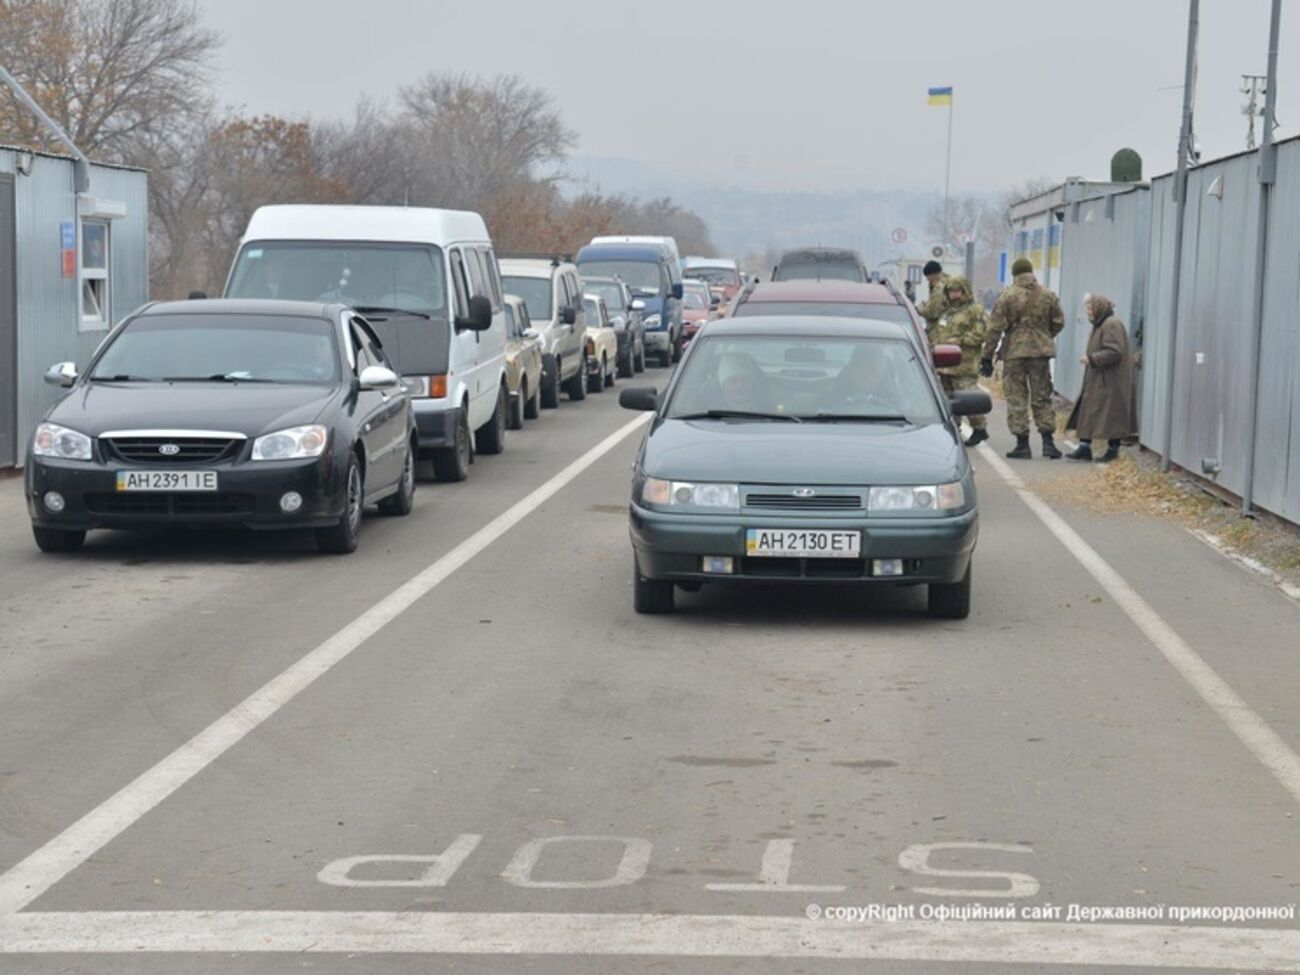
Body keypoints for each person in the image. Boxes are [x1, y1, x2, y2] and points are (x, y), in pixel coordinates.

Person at [981, 257, 1065, 459]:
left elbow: (994, 329)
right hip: (1040, 354)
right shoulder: (1047, 295)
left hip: (1015, 353)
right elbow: (1059, 322)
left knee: (1016, 397)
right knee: (1042, 396)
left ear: (1015, 274)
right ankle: (1048, 443)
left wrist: (987, 356)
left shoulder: (1007, 296)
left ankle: (1022, 445)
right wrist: (1043, 336)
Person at [1065, 293, 1135, 462]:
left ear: (1098, 309)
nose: (1088, 312)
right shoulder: (1101, 323)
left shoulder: (1110, 324)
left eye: (1090, 309)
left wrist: (1092, 359)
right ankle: (1084, 447)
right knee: (1090, 409)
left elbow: (1115, 351)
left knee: (1112, 414)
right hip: (1101, 377)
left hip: (1110, 379)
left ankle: (1112, 450)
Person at [932, 276, 989, 446]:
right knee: (948, 398)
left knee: (967, 397)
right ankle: (953, 429)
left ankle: (979, 428)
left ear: (965, 292)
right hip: (945, 363)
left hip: (964, 363)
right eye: (951, 292)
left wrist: (959, 340)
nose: (953, 295)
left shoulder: (975, 311)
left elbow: (979, 335)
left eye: (957, 291)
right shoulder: (948, 311)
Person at [918, 260, 951, 343]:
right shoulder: (947, 282)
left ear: (933, 274)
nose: (927, 279)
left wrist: (920, 310)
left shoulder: (938, 288)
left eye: (928, 276)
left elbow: (933, 312)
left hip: (938, 330)